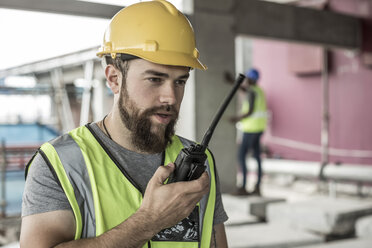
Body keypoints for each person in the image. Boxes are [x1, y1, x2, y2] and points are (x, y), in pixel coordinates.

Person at [20, 1, 228, 247]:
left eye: (180, 81)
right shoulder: (60, 164)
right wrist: (149, 221)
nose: (170, 97)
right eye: (154, 79)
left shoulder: (201, 162)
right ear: (114, 79)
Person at [230, 68, 267, 196]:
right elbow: (245, 90)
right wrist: (233, 82)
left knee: (241, 156)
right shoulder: (259, 90)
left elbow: (250, 111)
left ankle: (243, 187)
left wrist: (236, 118)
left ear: (250, 79)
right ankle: (257, 187)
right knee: (257, 157)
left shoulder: (252, 92)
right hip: (259, 128)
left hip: (250, 129)